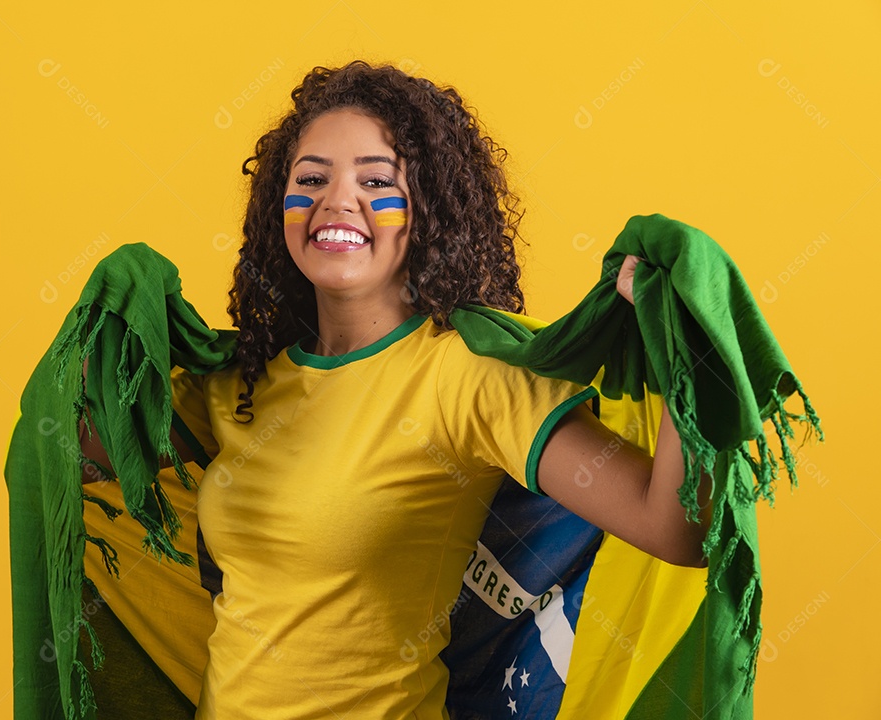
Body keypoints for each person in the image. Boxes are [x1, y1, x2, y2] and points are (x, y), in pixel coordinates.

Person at [78, 60, 713, 719]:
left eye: (376, 180)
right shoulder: (241, 383)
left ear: (428, 207)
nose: (337, 200)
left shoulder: (468, 375)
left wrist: (685, 351)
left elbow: (674, 529)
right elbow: (82, 467)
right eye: (311, 179)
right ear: (280, 207)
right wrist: (119, 326)